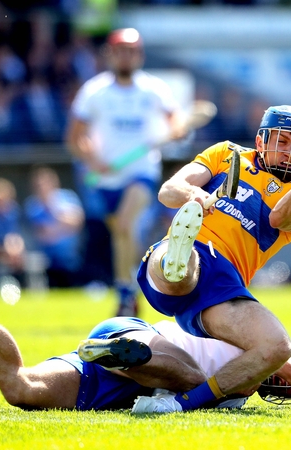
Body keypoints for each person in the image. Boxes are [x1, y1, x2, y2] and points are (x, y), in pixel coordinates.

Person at [0, 256, 291, 411]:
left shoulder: (251, 379)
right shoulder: (270, 351)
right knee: (194, 383)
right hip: (146, 341)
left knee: (20, 388)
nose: (289, 384)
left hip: (113, 379)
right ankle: (126, 355)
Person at [131, 105, 291, 413]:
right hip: (196, 253)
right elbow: (168, 191)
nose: (290, 152)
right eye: (282, 141)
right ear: (261, 141)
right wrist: (195, 194)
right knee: (184, 266)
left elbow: (279, 220)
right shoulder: (226, 154)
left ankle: (178, 405)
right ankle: (178, 258)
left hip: (224, 290)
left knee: (278, 347)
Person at [65, 27, 188, 317]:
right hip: (106, 178)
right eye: (120, 51)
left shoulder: (154, 89)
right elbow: (74, 138)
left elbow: (177, 123)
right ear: (110, 54)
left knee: (123, 224)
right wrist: (93, 160)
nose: (126, 57)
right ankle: (127, 293)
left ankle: (127, 292)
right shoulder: (94, 91)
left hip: (141, 172)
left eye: (131, 51)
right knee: (122, 236)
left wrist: (176, 130)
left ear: (139, 55)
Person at [24, 165, 85, 288]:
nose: (42, 188)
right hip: (48, 260)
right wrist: (62, 226)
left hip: (72, 257)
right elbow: (42, 234)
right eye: (38, 185)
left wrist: (52, 208)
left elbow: (77, 222)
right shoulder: (33, 206)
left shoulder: (68, 197)